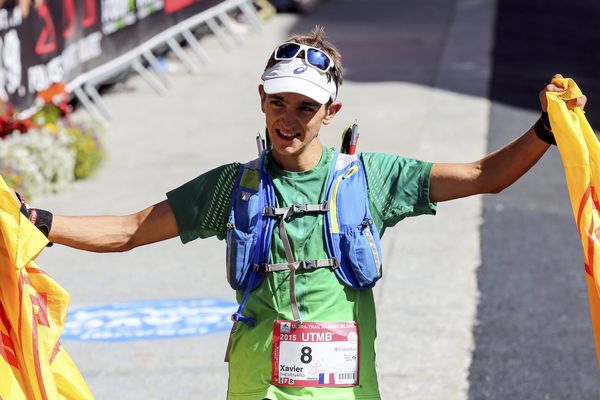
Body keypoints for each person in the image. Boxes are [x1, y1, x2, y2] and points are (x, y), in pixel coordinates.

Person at [14, 26, 587, 399]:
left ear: (330, 110)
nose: (288, 119)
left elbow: (488, 177)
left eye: (305, 107)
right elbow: (132, 230)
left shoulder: (372, 178)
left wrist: (545, 130)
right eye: (277, 102)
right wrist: (35, 221)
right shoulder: (232, 189)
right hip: (254, 389)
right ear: (261, 100)